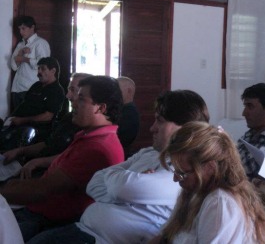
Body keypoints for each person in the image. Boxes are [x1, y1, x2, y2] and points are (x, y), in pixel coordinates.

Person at [28, 90, 210, 244]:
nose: (152, 128)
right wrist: (122, 192)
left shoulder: (182, 171)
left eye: (160, 121)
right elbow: (95, 181)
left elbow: (124, 187)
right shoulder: (148, 153)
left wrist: (123, 185)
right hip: (81, 229)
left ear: (185, 128)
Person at [0, 75, 125, 241]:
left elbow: (41, 190)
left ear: (100, 108)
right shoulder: (91, 136)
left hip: (48, 221)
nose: (72, 102)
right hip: (38, 211)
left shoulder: (97, 148)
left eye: (81, 99)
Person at [149, 121, 265, 244]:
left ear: (210, 167)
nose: (175, 179)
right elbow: (166, 237)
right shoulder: (195, 192)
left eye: (182, 173)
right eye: (175, 170)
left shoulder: (220, 203)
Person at [1, 73, 92, 180]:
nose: (67, 95)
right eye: (68, 89)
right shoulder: (69, 117)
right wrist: (19, 151)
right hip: (36, 166)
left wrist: (38, 162)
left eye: (73, 90)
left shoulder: (88, 126)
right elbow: (49, 143)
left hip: (53, 174)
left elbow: (72, 158)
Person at [0, 57, 65, 149]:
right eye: (38, 68)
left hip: (36, 129)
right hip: (18, 123)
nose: (39, 72)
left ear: (53, 71)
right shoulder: (36, 86)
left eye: (43, 68)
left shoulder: (57, 91)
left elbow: (48, 116)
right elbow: (24, 104)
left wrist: (21, 120)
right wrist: (11, 117)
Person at [10, 16, 51, 109]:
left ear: (32, 27)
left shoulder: (40, 43)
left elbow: (44, 65)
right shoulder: (20, 44)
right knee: (16, 120)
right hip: (17, 88)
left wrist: (25, 59)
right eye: (19, 29)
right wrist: (21, 53)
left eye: (23, 28)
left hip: (31, 89)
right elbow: (13, 66)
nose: (21, 32)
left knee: (28, 121)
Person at [117, 76, 140, 155]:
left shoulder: (130, 113)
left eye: (117, 90)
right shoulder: (120, 109)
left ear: (129, 91)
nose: (115, 93)